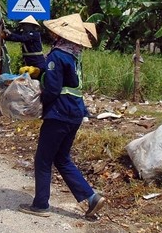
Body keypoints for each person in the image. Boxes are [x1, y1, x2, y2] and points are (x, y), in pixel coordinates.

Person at [18, 13, 106, 218]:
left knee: (43, 160)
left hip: (59, 114)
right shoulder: (74, 56)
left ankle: (40, 205)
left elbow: (53, 89)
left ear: (60, 35)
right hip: (74, 113)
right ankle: (92, 198)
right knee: (62, 158)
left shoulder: (57, 55)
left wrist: (37, 103)